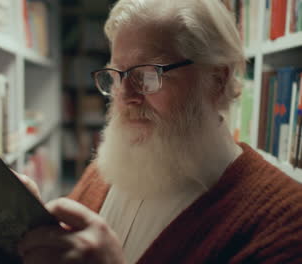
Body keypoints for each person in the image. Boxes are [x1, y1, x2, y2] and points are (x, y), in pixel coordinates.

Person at [17, 0, 302, 263]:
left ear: (216, 79)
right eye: (118, 74)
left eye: (148, 74)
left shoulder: (286, 225)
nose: (126, 95)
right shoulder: (108, 168)